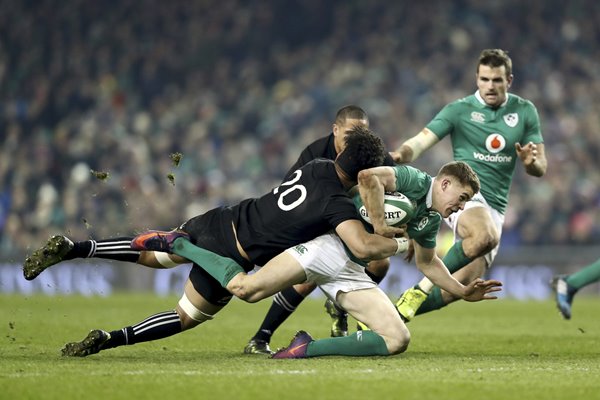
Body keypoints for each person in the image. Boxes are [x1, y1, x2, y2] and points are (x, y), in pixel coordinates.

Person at [24, 126, 404, 357]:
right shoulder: (336, 206)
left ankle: (76, 248)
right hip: (232, 256)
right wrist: (393, 235)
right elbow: (360, 246)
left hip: (221, 218)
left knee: (153, 258)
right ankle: (109, 339)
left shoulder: (316, 166)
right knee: (185, 317)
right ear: (364, 173)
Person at [137, 161, 502, 358]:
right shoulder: (413, 180)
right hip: (327, 246)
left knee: (397, 339)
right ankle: (181, 245)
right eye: (463, 196)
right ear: (444, 183)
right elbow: (367, 177)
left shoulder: (430, 219)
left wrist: (461, 289)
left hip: (351, 268)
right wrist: (377, 222)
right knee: (246, 290)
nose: (463, 206)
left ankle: (303, 348)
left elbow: (427, 263)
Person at [391, 48, 547, 321]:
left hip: (495, 209)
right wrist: (399, 155)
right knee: (484, 235)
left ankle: (384, 318)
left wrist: (529, 162)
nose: (490, 86)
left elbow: (540, 167)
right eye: (485, 79)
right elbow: (422, 140)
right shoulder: (459, 110)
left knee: (458, 289)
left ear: (509, 80)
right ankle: (418, 290)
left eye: (497, 80)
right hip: (465, 195)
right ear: (477, 78)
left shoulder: (525, 111)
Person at [243, 105, 396, 356]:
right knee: (307, 281)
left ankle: (342, 308)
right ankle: (261, 337)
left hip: (354, 222)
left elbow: (394, 189)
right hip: (317, 222)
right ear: (335, 130)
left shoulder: (371, 152)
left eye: (363, 132)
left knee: (381, 264)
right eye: (351, 132)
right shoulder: (315, 154)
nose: (357, 138)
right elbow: (289, 194)